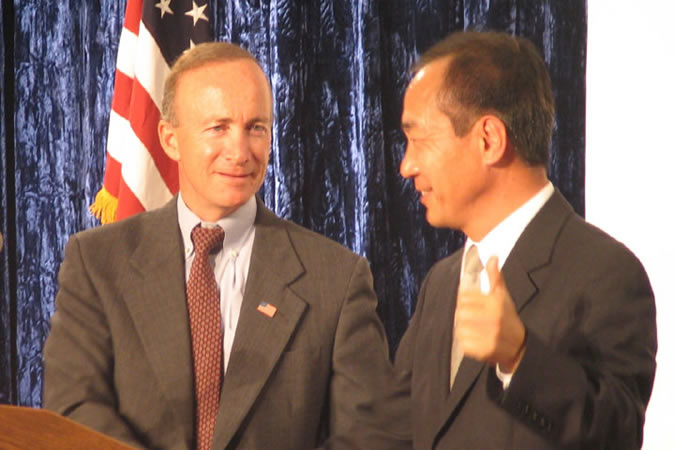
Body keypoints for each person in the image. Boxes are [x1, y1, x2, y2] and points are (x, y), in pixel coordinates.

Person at [43, 42, 394, 450]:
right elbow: (74, 407)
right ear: (170, 139)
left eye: (256, 128)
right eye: (218, 127)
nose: (240, 152)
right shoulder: (97, 262)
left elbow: (368, 437)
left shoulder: (336, 278)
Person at [391, 31, 657, 449]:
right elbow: (394, 429)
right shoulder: (440, 283)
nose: (406, 166)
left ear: (489, 140)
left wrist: (520, 356)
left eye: (419, 140)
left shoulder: (606, 272)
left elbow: (617, 436)